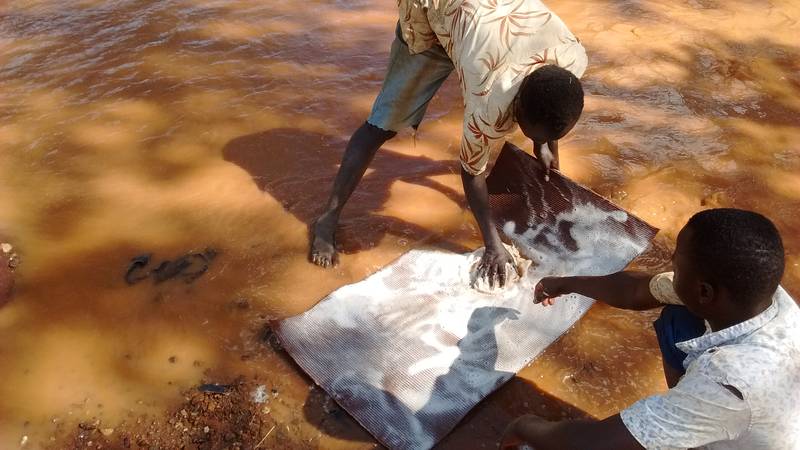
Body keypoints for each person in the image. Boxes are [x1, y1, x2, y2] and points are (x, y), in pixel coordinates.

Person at [310, 0, 587, 288]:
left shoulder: (566, 57)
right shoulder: (487, 101)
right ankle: (327, 220)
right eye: (532, 133)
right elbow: (471, 171)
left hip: (481, 26)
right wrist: (492, 244)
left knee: (532, 119)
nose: (537, 138)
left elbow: (553, 107)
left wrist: (544, 144)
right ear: (515, 106)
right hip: (433, 15)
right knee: (381, 126)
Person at [500, 208, 800, 449]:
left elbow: (595, 443)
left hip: (743, 414)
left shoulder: (726, 384)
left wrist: (525, 426)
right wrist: (563, 283)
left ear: (705, 292)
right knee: (677, 317)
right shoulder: (759, 295)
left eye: (677, 264)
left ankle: (681, 427)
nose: (670, 264)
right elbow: (636, 290)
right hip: (750, 410)